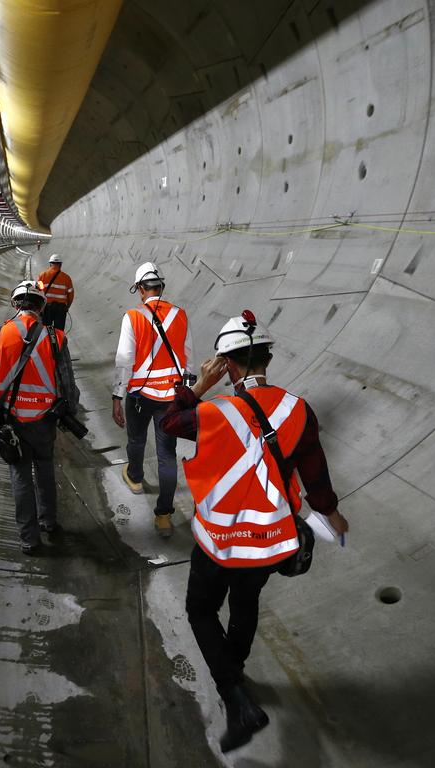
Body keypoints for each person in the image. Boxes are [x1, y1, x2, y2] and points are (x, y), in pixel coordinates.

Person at [160, 310, 349, 752]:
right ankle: (236, 668)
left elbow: (170, 423)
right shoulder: (297, 409)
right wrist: (332, 513)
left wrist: (198, 387)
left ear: (226, 363)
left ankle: (235, 696)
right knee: (246, 605)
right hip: (271, 539)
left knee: (201, 611)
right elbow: (315, 475)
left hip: (218, 542)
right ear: (267, 356)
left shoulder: (212, 411)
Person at [0, 280, 79, 555]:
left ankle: (29, 539)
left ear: (15, 305)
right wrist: (70, 412)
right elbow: (67, 382)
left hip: (12, 418)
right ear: (41, 306)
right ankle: (49, 521)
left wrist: (4, 358)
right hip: (44, 419)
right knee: (45, 469)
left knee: (20, 474)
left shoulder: (0, 333)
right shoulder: (57, 337)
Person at [111, 261, 193, 538]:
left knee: (136, 440)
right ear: (160, 286)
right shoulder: (180, 315)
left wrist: (116, 396)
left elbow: (124, 361)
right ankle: (164, 517)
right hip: (170, 397)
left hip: (139, 396)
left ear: (140, 290)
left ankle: (135, 478)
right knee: (167, 455)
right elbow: (187, 356)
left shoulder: (132, 317)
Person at [36, 254, 74, 331]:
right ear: (60, 264)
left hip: (46, 308)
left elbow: (38, 291)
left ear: (50, 264)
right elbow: (71, 294)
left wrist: (39, 307)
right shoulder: (66, 278)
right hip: (61, 309)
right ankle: (58, 342)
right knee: (59, 332)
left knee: (45, 331)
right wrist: (67, 306)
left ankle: (47, 342)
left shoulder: (42, 275)